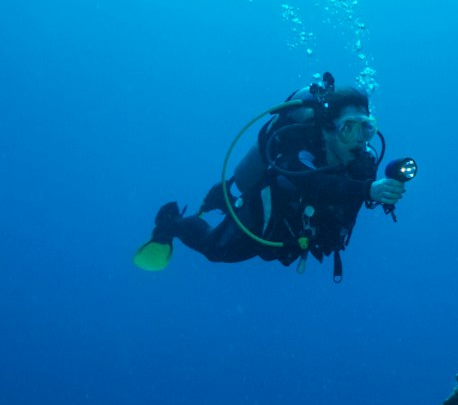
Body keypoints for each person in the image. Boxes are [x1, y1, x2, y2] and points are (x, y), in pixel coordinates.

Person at [135, 75, 409, 279]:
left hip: (295, 231)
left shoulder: (362, 161)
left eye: (367, 128)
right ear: (327, 130)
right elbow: (314, 184)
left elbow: (346, 195)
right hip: (262, 218)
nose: (359, 139)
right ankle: (170, 223)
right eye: (349, 128)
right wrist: (368, 190)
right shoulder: (299, 157)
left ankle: (222, 197)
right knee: (215, 250)